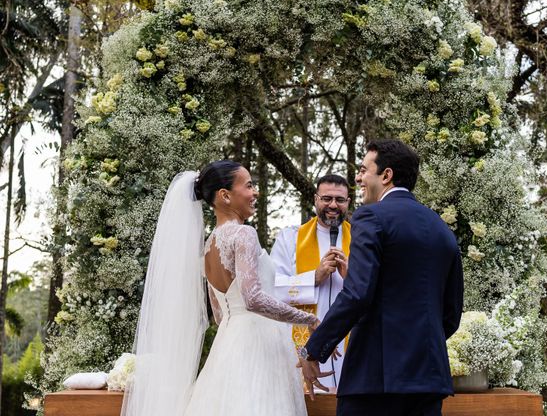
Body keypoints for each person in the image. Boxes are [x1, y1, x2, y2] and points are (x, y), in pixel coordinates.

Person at [121, 161, 325, 416]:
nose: (255, 193)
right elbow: (253, 299)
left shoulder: (208, 246)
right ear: (225, 196)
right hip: (256, 348)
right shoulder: (243, 235)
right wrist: (308, 319)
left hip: (227, 346)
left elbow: (219, 315)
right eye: (249, 186)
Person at [298, 139, 464, 416]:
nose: (358, 178)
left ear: (386, 175)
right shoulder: (441, 228)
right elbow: (451, 312)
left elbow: (357, 294)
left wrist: (311, 351)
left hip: (374, 380)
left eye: (364, 170)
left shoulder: (371, 217)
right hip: (428, 379)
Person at [272, 174, 351, 388]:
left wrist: (351, 278)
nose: (333, 205)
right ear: (316, 199)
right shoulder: (290, 238)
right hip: (301, 342)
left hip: (351, 343)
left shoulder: (362, 239)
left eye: (339, 200)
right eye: (326, 198)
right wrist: (313, 278)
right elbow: (272, 288)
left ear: (348, 203)